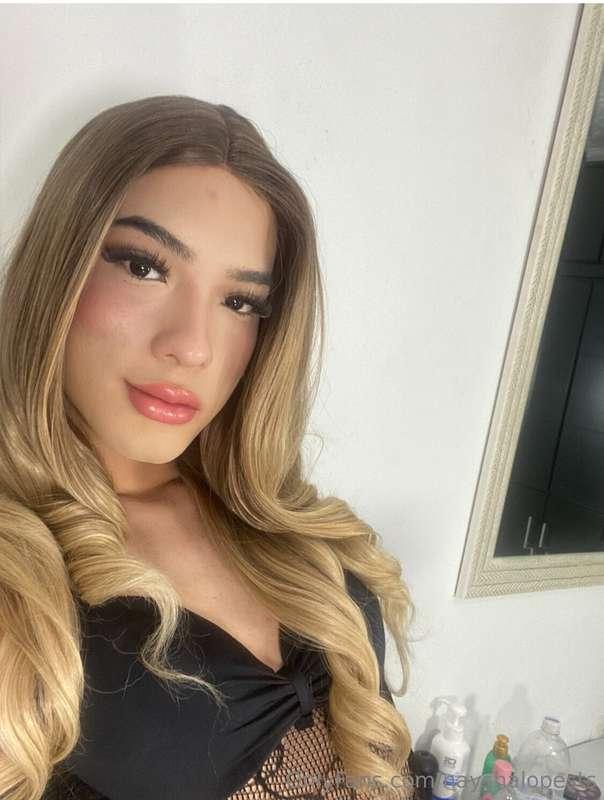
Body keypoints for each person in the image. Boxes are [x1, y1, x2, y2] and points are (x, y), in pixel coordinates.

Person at [0, 95, 417, 800]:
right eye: (144, 266)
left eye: (240, 302)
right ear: (59, 267)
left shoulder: (286, 525)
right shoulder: (19, 579)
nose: (192, 346)